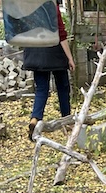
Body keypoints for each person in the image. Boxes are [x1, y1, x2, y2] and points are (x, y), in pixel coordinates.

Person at [23, 1, 75, 141]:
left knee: (41, 89)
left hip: (35, 51)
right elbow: (62, 35)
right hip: (54, 51)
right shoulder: (52, 7)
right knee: (63, 87)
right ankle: (66, 120)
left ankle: (35, 119)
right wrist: (70, 58)